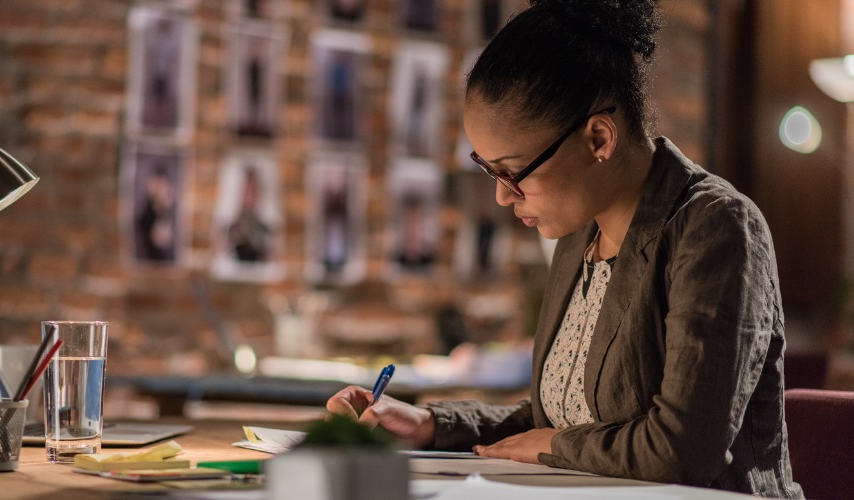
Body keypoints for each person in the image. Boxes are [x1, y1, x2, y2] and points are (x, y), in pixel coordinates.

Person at [325, 1, 804, 497]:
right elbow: (555, 419)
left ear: (599, 137)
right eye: (488, 170)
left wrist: (550, 446)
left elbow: (681, 450)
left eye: (512, 172)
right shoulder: (581, 233)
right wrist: (428, 422)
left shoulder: (716, 228)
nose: (501, 195)